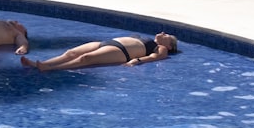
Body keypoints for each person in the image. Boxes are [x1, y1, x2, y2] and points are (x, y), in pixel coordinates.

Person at [20, 33, 177, 71]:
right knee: (70, 53)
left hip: (121, 51)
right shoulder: (147, 37)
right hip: (107, 43)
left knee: (86, 58)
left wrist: (138, 61)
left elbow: (158, 56)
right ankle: (39, 64)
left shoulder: (161, 48)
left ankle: (49, 68)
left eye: (167, 36)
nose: (163, 33)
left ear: (169, 46)